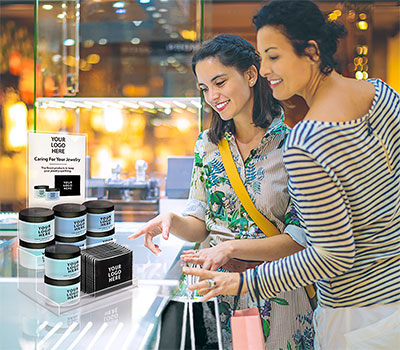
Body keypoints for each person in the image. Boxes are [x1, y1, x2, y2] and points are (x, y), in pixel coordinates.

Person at [183, 1, 400, 350]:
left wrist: (245, 283)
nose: (264, 68)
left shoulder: (304, 143)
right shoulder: (382, 94)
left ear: (311, 52)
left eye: (273, 56)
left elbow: (333, 255)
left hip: (352, 310)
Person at [130, 34, 315, 349]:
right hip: (219, 298)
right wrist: (171, 220)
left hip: (279, 295)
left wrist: (230, 249)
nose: (212, 96)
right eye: (204, 88)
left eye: (219, 82)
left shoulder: (295, 145)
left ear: (251, 75)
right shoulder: (207, 144)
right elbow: (200, 222)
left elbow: (300, 240)